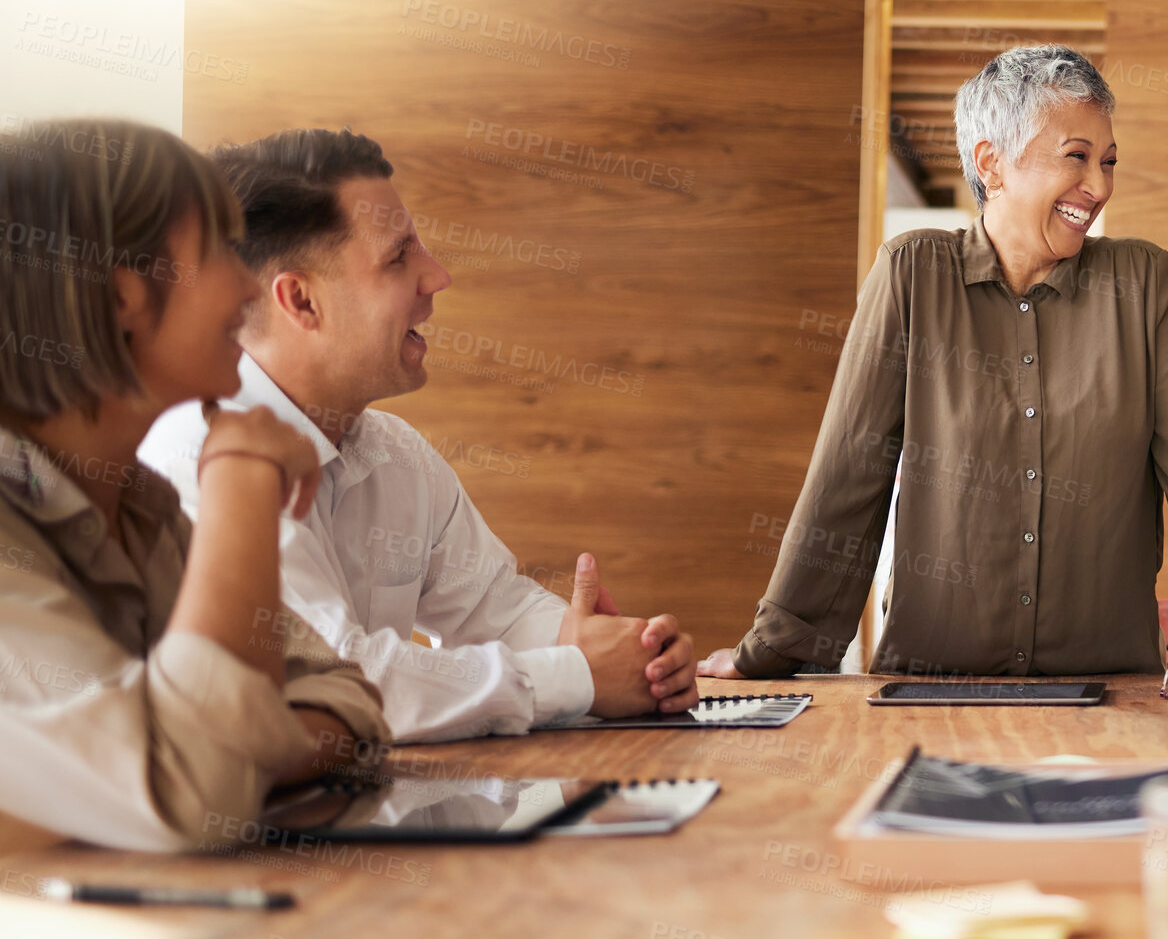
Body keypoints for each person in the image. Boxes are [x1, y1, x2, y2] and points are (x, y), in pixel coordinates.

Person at [698, 45, 1168, 679]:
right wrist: (775, 650)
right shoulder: (913, 274)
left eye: (1108, 162)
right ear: (991, 164)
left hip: (1113, 702)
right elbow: (848, 477)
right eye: (1076, 157)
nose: (1100, 186)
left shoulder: (1141, 283)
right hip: (931, 694)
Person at [138, 129, 696, 743]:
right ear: (301, 300)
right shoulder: (202, 454)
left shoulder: (395, 451)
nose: (438, 276)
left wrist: (619, 649)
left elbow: (495, 607)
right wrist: (575, 676)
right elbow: (337, 682)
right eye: (398, 257)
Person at [0, 118, 389, 850]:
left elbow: (351, 698)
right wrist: (239, 474)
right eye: (218, 248)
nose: (249, 283)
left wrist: (230, 750)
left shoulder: (136, 505)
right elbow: (193, 792)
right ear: (121, 296)